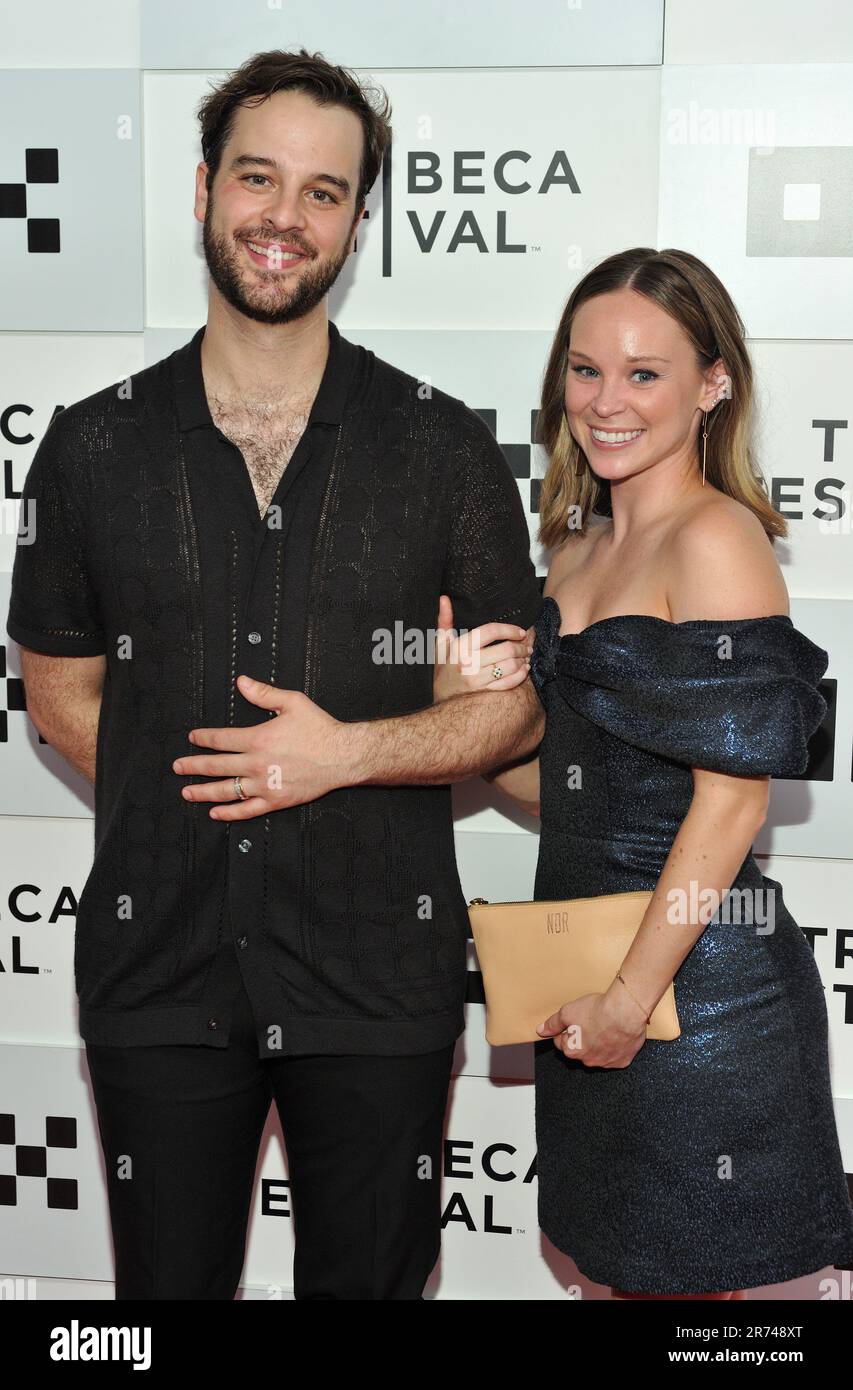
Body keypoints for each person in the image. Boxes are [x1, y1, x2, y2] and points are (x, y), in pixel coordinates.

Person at [6, 48, 543, 1300]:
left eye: (323, 191)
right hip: (158, 974)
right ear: (201, 189)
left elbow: (509, 703)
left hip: (376, 977)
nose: (283, 218)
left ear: (359, 220)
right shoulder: (90, 449)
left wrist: (342, 757)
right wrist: (205, 790)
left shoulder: (443, 447)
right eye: (258, 178)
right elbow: (63, 696)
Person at [434, 246, 853, 1299]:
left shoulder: (716, 539)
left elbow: (733, 797)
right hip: (592, 991)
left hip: (698, 999)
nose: (605, 401)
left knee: (708, 1303)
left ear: (713, 383)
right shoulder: (571, 552)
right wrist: (460, 721)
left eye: (643, 373)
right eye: (583, 370)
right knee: (613, 1279)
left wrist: (630, 996)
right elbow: (569, 794)